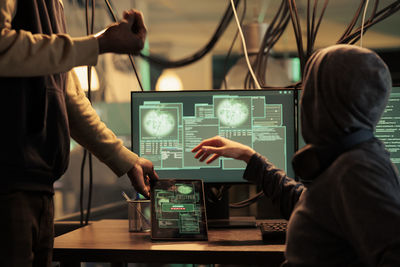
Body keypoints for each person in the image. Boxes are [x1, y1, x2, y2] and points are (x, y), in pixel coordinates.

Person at [193, 44, 400, 266]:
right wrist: (249, 157)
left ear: (323, 103)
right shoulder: (350, 159)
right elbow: (308, 204)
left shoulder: (359, 170)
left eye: (310, 92)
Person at [0, 1, 158, 266]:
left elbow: (68, 96)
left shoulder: (54, 5)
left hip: (38, 188)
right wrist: (98, 44)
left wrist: (125, 159)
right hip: (8, 186)